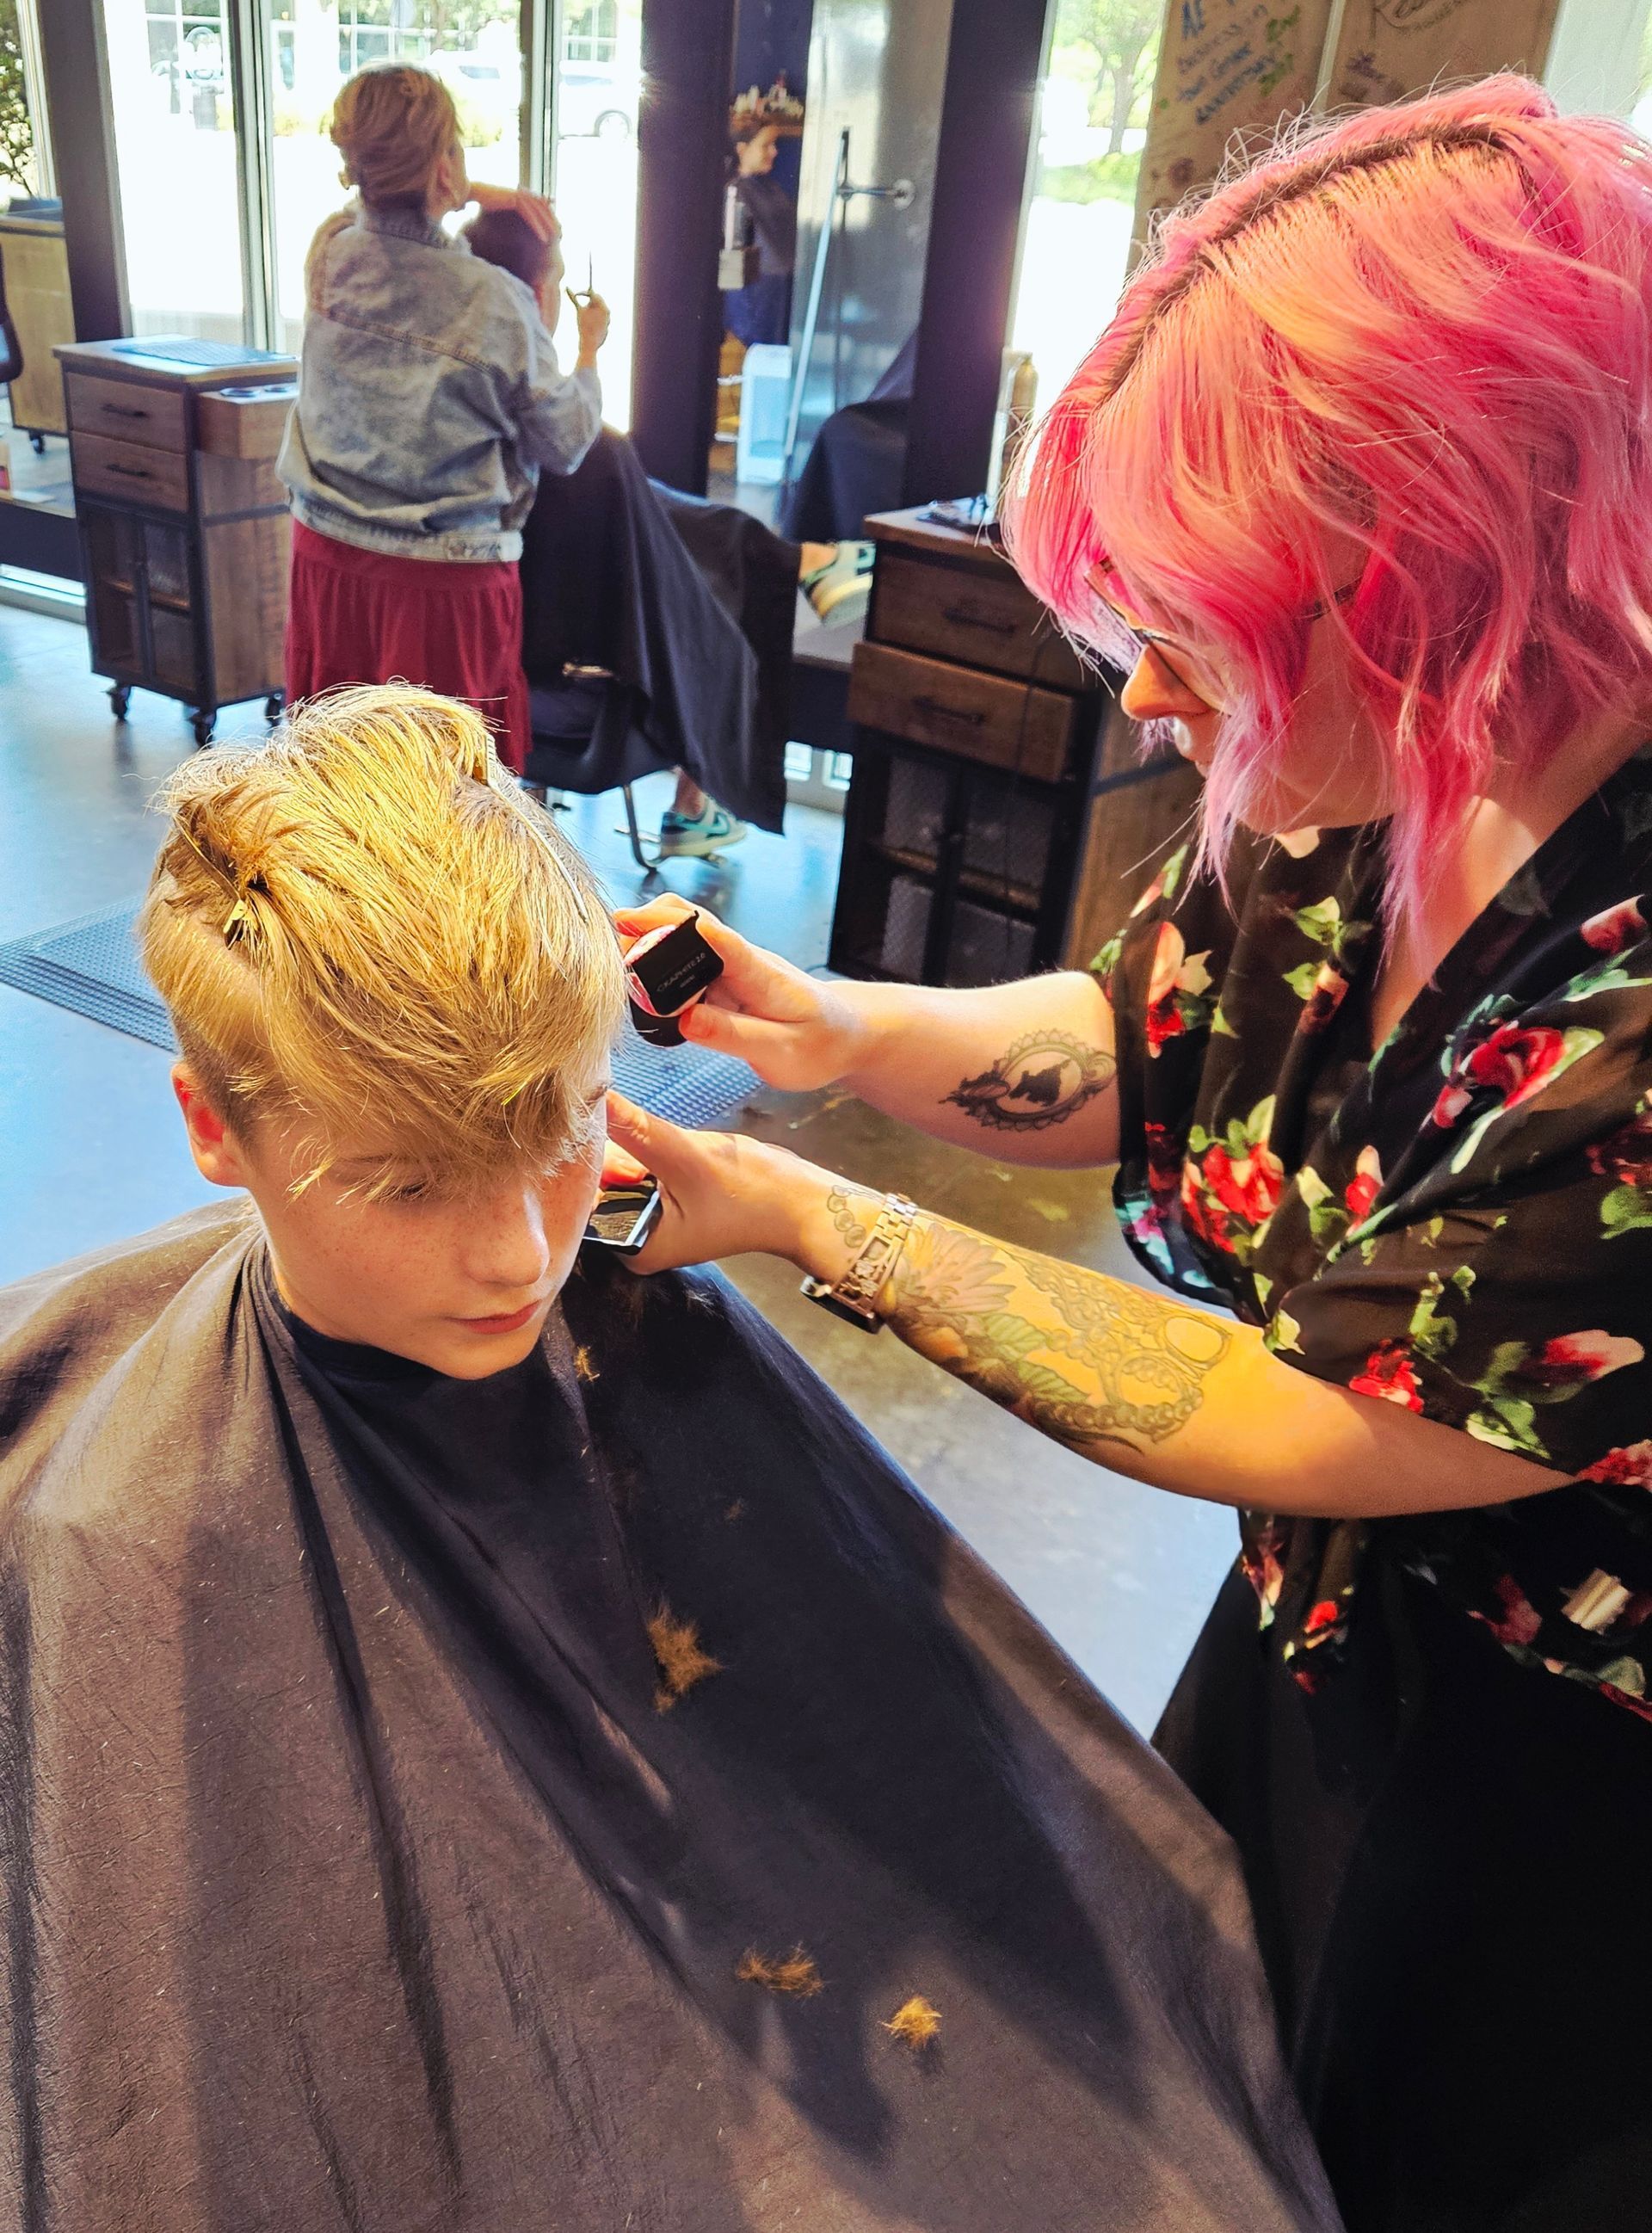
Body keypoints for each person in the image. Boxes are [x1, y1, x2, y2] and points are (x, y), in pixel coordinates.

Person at [601, 78, 1652, 2233]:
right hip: (1315, 1650)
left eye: (1213, 624)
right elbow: (1144, 1036)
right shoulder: (1382, 769)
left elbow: (1298, 1411)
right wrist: (822, 1027)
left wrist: (800, 1214)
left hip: (1571, 1812)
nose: (1159, 693)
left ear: (1446, 560)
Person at [0, 685, 1339, 2230]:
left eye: (566, 1128)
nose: (515, 1252)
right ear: (213, 1130)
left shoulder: (660, 1342)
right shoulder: (109, 1520)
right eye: (406, 1182)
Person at [462, 205, 872, 856]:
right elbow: (638, 555)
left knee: (657, 515)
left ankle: (797, 562)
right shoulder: (580, 446)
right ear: (542, 294)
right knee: (705, 611)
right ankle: (797, 567)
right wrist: (590, 350)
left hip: (526, 637)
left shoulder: (467, 405)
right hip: (571, 666)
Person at [277, 65, 609, 769]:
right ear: (442, 169)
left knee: (336, 786)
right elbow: (566, 438)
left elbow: (354, 213)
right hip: (441, 586)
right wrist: (588, 351)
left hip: (329, 561)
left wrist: (457, 191)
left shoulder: (331, 255)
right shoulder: (493, 301)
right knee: (450, 813)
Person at [724, 119, 796, 349]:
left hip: (782, 287)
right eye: (766, 146)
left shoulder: (770, 187)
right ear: (742, 150)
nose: (774, 152)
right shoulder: (735, 194)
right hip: (758, 298)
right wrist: (741, 319)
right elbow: (732, 266)